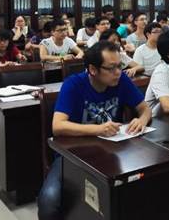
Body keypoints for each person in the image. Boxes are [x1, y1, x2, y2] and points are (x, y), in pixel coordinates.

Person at [37, 41, 152, 220]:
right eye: (111, 68)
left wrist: (141, 120)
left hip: (114, 152)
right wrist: (98, 129)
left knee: (142, 190)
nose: (118, 72)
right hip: (73, 154)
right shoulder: (73, 85)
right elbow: (58, 126)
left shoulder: (121, 80)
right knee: (49, 202)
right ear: (92, 69)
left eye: (120, 66)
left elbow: (145, 108)